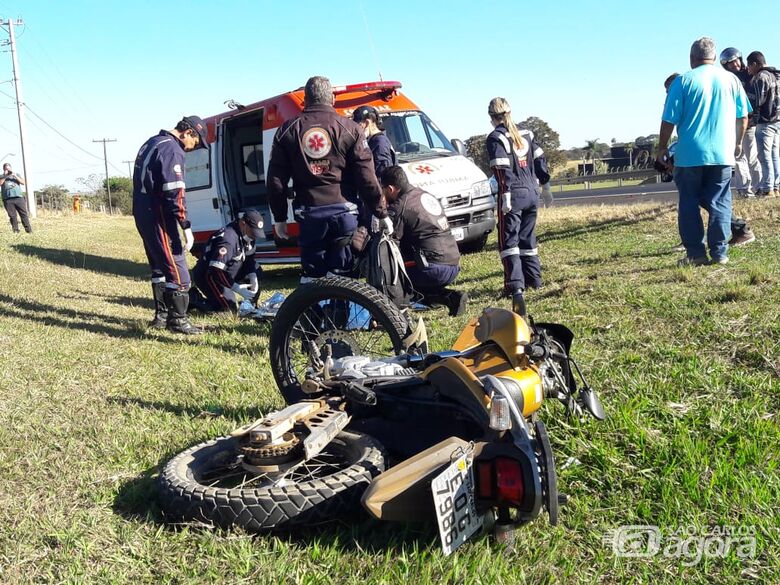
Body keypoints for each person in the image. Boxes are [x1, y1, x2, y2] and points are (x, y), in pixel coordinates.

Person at [267, 76, 390, 281]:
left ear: (305, 100)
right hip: (345, 213)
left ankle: (317, 311)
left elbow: (276, 181)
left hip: (309, 214)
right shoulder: (351, 129)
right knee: (346, 278)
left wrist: (279, 218)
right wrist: (380, 212)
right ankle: (346, 311)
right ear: (332, 99)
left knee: (313, 278)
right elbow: (366, 176)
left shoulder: (287, 131)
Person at [657, 38, 750, 266]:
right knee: (720, 201)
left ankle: (696, 254)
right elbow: (744, 116)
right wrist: (737, 142)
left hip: (690, 154)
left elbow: (669, 119)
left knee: (688, 202)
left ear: (691, 59)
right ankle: (720, 253)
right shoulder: (731, 80)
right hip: (722, 152)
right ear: (715, 58)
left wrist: (661, 147)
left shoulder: (683, 81)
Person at [133, 115, 209, 334]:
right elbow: (175, 192)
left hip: (142, 212)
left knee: (158, 265)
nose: (192, 149)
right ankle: (178, 320)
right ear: (188, 133)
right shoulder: (172, 149)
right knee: (177, 267)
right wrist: (185, 225)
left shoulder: (152, 142)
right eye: (195, 143)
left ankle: (162, 315)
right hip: (159, 214)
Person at [663, 73, 756, 249]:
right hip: (714, 152)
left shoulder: (685, 95)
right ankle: (735, 232)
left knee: (701, 197)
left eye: (669, 90)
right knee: (708, 198)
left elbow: (689, 130)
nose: (668, 94)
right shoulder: (705, 94)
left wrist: (665, 151)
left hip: (700, 154)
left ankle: (731, 233)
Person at [485, 97, 550, 313]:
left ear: (492, 117)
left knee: (508, 242)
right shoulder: (528, 134)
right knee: (528, 239)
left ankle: (515, 286)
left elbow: (502, 170)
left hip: (513, 195)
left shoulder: (495, 138)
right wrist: (546, 186)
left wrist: (505, 197)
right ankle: (535, 280)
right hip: (532, 192)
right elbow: (540, 160)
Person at [379, 165, 467, 316]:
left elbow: (391, 244)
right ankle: (450, 298)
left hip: (433, 268)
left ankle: (399, 311)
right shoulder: (425, 195)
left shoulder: (400, 206)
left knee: (394, 273)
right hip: (453, 262)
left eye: (383, 190)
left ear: (391, 189)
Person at [189, 210, 264, 313]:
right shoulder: (228, 239)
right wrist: (236, 288)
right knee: (229, 310)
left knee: (257, 270)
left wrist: (252, 276)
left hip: (230, 272)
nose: (254, 236)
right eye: (253, 232)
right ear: (243, 224)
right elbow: (216, 270)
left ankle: (251, 303)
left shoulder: (248, 235)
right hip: (210, 276)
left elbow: (249, 259)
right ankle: (194, 299)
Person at [720, 48, 762, 197]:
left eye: (735, 61)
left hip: (749, 121)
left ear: (740, 59)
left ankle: (759, 187)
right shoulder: (727, 79)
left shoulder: (750, 74)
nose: (734, 65)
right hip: (734, 123)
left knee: (752, 157)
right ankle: (744, 189)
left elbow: (757, 98)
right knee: (738, 157)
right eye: (730, 64)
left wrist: (753, 118)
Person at [745, 51, 780, 197]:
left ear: (755, 64)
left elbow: (756, 101)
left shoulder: (761, 77)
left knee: (764, 157)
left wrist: (750, 118)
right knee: (774, 155)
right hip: (777, 121)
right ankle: (776, 187)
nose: (748, 70)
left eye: (749, 66)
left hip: (765, 122)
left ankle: (767, 188)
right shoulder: (777, 75)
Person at [352, 106, 397, 178]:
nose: (355, 130)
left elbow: (383, 176)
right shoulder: (374, 141)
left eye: (358, 126)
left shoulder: (379, 143)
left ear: (367, 123)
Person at [1, 163, 31, 234]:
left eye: (9, 168)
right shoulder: (1, 176)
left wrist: (15, 175)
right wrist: (5, 175)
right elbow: (0, 183)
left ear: (11, 168)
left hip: (19, 198)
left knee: (23, 214)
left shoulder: (16, 174)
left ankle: (29, 230)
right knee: (12, 216)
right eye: (6, 169)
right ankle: (16, 231)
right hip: (8, 199)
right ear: (4, 169)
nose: (8, 170)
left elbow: (23, 182)